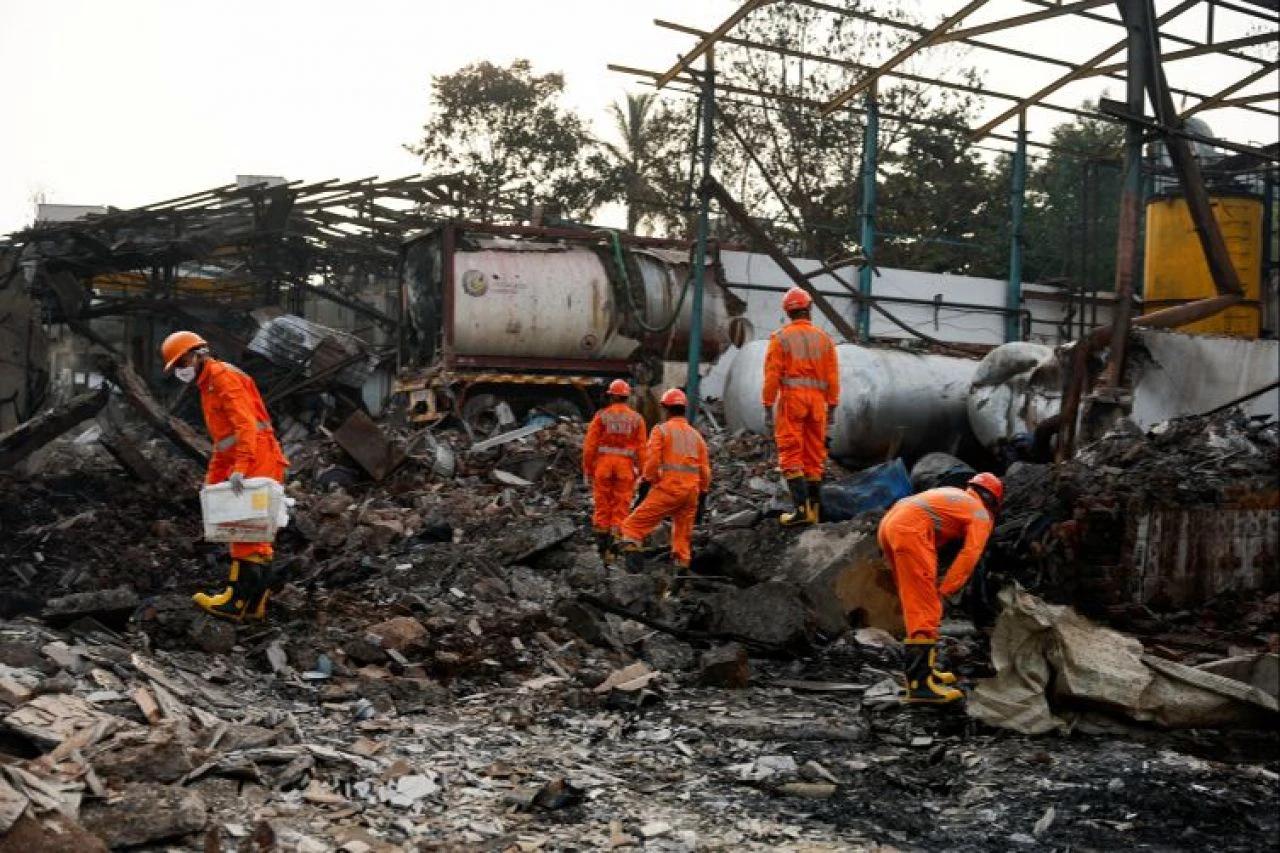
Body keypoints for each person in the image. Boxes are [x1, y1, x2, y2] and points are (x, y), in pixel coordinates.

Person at [160, 331, 289, 621]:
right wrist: (212, 481)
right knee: (256, 537)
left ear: (197, 354)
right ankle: (255, 604)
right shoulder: (209, 386)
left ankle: (235, 601)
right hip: (254, 457)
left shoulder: (221, 378)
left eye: (182, 362)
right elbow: (223, 442)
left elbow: (245, 426)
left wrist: (241, 467)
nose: (181, 369)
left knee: (244, 533)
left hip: (256, 458)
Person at [877, 472, 1003, 704]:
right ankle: (920, 686)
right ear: (993, 501)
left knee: (915, 603)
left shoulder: (954, 496)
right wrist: (948, 589)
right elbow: (970, 555)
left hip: (889, 525)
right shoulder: (980, 513)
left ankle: (926, 672)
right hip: (909, 531)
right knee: (925, 608)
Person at [763, 286, 840, 526]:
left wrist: (767, 404)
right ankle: (814, 512)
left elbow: (772, 375)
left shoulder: (781, 338)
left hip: (793, 401)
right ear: (809, 309)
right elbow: (833, 376)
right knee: (814, 455)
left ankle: (801, 511)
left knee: (790, 453)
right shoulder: (825, 339)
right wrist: (833, 405)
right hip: (817, 403)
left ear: (788, 312)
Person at [618, 388, 710, 586]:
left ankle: (634, 582)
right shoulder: (696, 437)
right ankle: (677, 590)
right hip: (690, 494)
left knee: (632, 527)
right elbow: (705, 471)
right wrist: (702, 496)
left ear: (665, 408)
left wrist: (645, 484)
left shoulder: (661, 431)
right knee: (682, 543)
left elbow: (651, 463)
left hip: (669, 490)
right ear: (684, 409)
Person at [582, 379, 647, 563]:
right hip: (625, 469)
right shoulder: (637, 419)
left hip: (603, 467)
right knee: (621, 507)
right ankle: (615, 552)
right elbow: (642, 449)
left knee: (602, 506)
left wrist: (587, 469)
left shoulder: (602, 416)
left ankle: (601, 550)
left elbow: (589, 445)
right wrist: (643, 473)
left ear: (611, 396)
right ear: (627, 397)